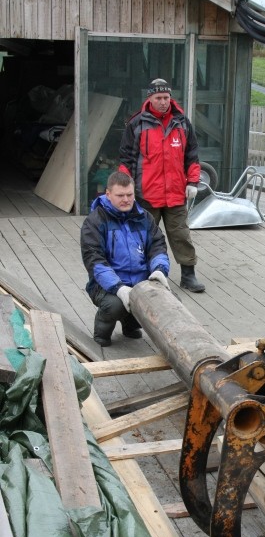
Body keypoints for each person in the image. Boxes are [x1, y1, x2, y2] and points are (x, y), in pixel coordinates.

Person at [118, 77, 205, 293]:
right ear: (150, 98)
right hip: (147, 194)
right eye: (159, 98)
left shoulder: (183, 123)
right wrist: (127, 189)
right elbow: (126, 159)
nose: (164, 101)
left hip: (176, 193)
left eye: (166, 97)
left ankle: (188, 275)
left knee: (181, 235)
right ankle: (144, 275)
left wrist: (193, 181)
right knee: (144, 238)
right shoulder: (136, 124)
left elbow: (192, 156)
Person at [81, 170, 171, 347]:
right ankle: (102, 331)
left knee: (171, 301)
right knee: (116, 305)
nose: (126, 200)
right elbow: (94, 260)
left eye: (130, 195)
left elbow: (157, 245)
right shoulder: (94, 221)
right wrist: (118, 287)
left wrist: (160, 270)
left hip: (140, 281)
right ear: (108, 194)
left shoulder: (144, 217)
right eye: (120, 195)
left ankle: (130, 325)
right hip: (105, 285)